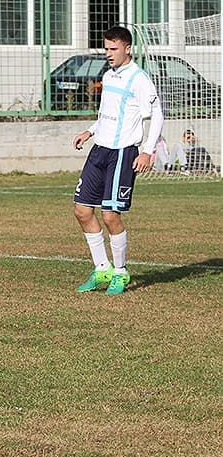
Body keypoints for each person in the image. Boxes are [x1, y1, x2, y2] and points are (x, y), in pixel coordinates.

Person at [72, 26, 164, 295]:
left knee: (110, 215)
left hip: (123, 152)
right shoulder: (109, 76)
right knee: (82, 211)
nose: (108, 54)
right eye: (106, 49)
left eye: (113, 49)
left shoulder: (139, 79)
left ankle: (120, 273)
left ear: (127, 48)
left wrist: (147, 150)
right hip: (99, 149)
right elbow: (106, 115)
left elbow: (157, 115)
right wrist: (90, 131)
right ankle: (102, 269)